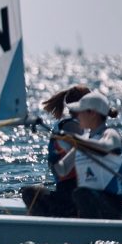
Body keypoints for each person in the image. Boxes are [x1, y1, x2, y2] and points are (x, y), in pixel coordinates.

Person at [56, 90, 122, 219]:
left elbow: (104, 148)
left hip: (112, 204)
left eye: (80, 112)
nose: (77, 116)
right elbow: (63, 169)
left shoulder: (111, 134)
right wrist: (55, 152)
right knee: (31, 193)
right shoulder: (84, 139)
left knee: (81, 193)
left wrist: (76, 140)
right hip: (89, 200)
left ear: (92, 113)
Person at [22, 85, 90, 217]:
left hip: (71, 194)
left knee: (29, 192)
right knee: (30, 192)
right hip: (73, 195)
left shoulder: (65, 125)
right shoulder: (74, 126)